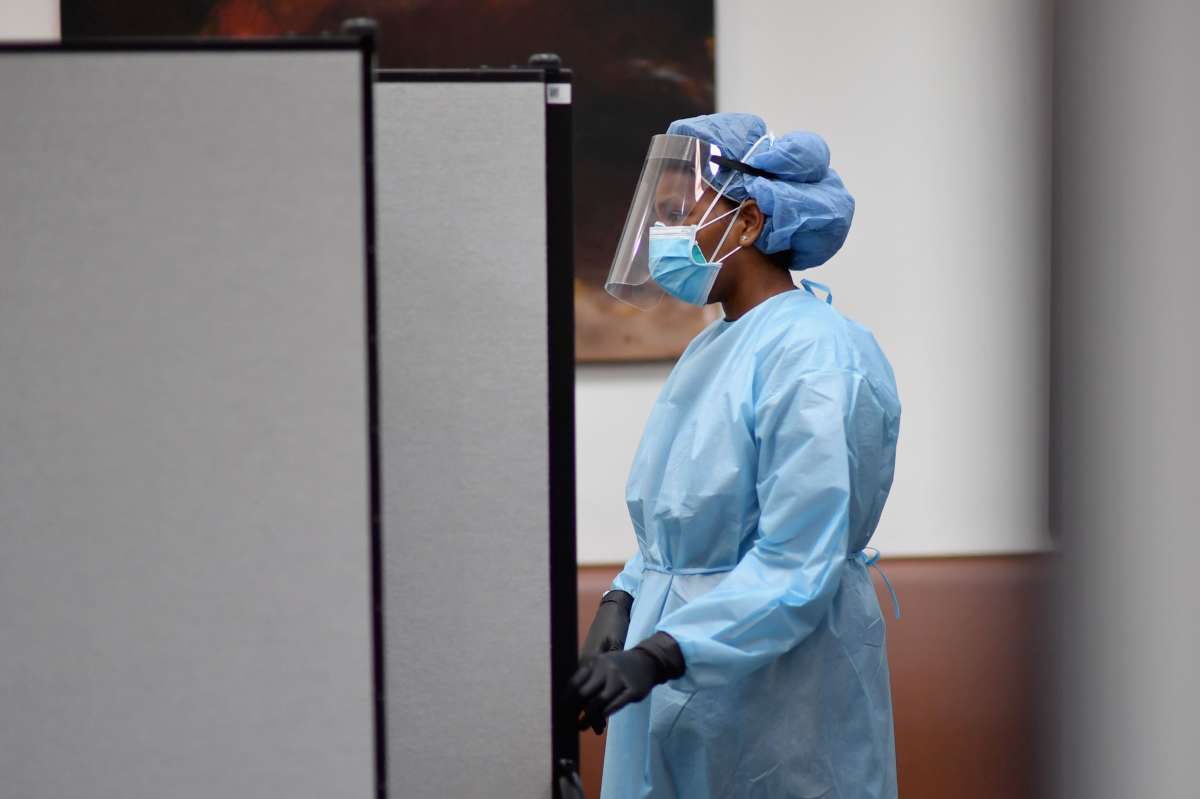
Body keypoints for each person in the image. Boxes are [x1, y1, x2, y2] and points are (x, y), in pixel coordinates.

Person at [568, 112, 902, 799]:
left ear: (748, 223)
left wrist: (663, 651)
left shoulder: (816, 355)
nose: (664, 236)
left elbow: (797, 560)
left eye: (677, 214)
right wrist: (625, 594)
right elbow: (688, 514)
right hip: (687, 675)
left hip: (775, 697)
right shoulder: (717, 345)